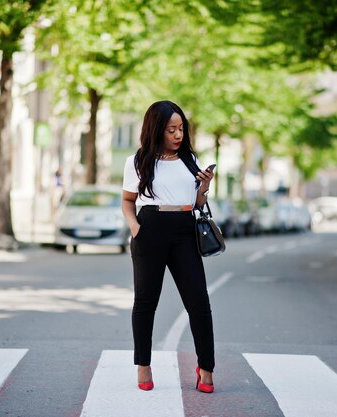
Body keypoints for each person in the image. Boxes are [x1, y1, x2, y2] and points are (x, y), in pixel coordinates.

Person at [122, 100, 216, 393]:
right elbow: (127, 201)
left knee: (198, 302)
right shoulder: (137, 161)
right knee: (146, 302)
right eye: (171, 129)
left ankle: (206, 369)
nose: (178, 135)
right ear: (155, 130)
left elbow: (200, 203)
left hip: (185, 231)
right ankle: (143, 366)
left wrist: (205, 186)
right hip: (150, 228)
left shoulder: (191, 160)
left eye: (181, 128)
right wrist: (136, 229)